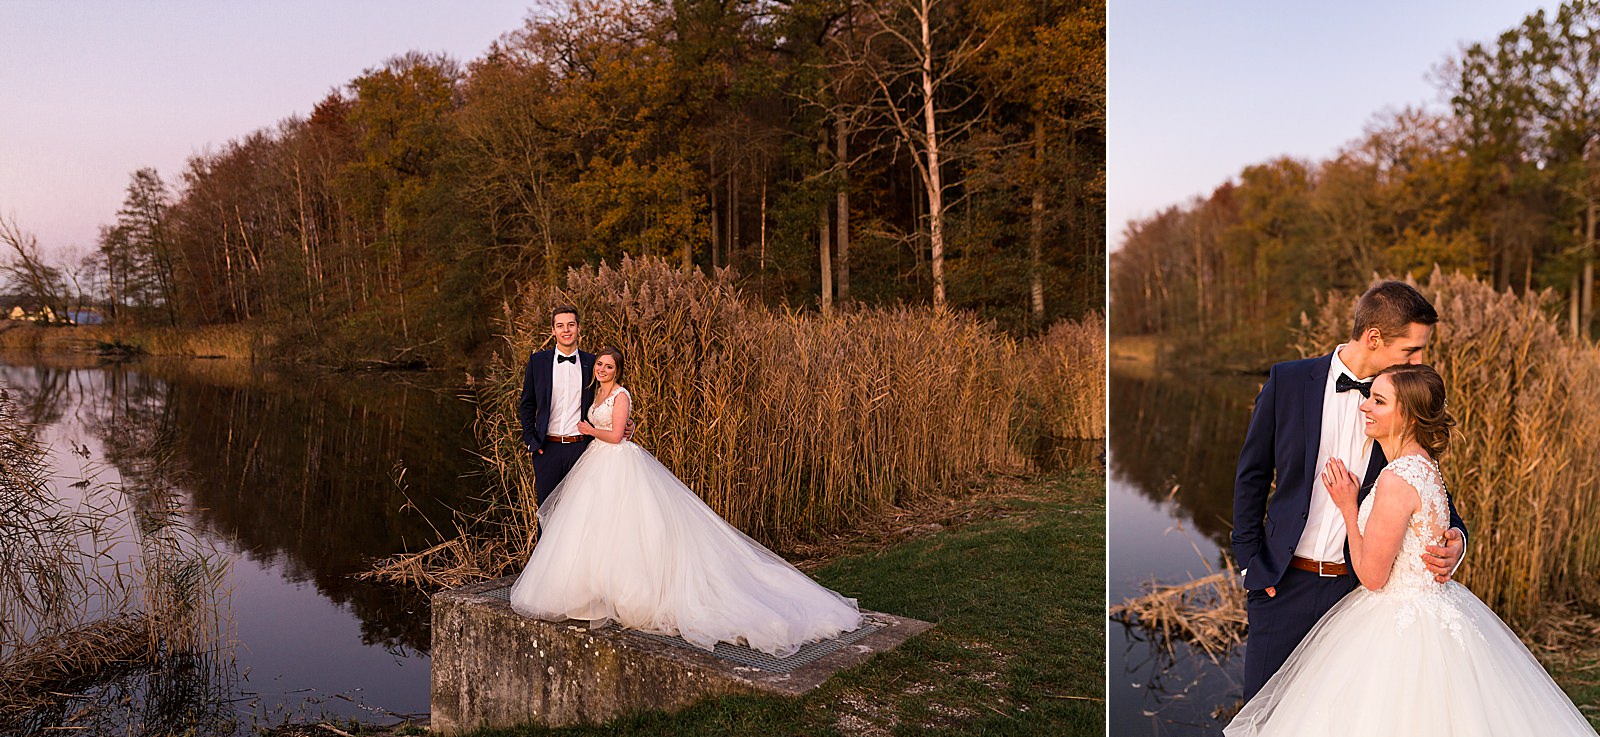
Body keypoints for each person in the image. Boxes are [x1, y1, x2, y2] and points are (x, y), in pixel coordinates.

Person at [1226, 365, 1596, 736]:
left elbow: (1372, 577)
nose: (1365, 407)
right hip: (1433, 608)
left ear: (1406, 414)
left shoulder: (1396, 478)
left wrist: (1349, 507)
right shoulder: (1425, 467)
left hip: (1394, 621)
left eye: (1378, 401)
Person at [509, 347, 862, 657]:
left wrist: (590, 431)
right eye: (599, 365)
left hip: (615, 461)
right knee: (591, 528)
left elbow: (617, 435)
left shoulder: (620, 395)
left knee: (629, 526)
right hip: (593, 462)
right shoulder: (594, 394)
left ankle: (630, 593)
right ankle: (590, 588)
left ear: (618, 371)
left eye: (608, 366)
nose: (602, 369)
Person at [1231, 281, 1467, 700]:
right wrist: (1251, 564)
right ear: (1374, 338)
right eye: (1410, 350)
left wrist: (1456, 540)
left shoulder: (1399, 402)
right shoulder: (1287, 381)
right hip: (1281, 584)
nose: (1418, 361)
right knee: (1263, 716)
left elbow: (1427, 484)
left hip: (1355, 598)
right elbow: (1251, 475)